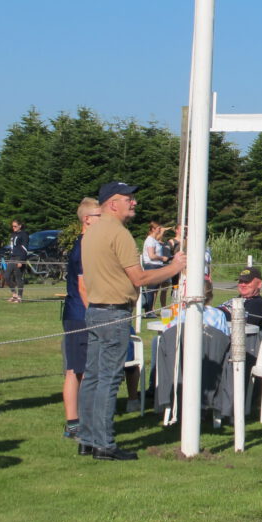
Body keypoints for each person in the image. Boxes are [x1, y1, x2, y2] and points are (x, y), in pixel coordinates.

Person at [78, 181, 186, 460]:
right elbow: (139, 278)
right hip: (113, 312)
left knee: (92, 376)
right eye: (129, 199)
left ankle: (87, 439)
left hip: (95, 310)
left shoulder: (91, 232)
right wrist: (175, 267)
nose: (134, 202)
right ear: (113, 204)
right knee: (108, 378)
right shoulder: (119, 234)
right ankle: (104, 444)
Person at [60, 198, 102, 440]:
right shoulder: (85, 245)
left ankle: (79, 422)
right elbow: (83, 285)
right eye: (98, 216)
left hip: (78, 314)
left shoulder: (89, 243)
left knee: (78, 369)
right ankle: (77, 423)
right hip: (80, 315)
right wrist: (94, 315)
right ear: (87, 219)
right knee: (80, 370)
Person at [219, 266, 262, 339]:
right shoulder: (236, 299)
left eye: (247, 282)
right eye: (240, 281)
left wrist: (215, 314)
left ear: (259, 284)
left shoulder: (257, 304)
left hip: (246, 344)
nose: (243, 285)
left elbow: (241, 322)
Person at [141, 221, 170, 316]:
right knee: (151, 290)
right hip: (152, 266)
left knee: (154, 290)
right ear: (153, 229)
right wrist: (162, 258)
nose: (160, 230)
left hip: (157, 266)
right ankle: (148, 311)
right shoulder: (150, 240)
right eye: (158, 228)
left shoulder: (154, 240)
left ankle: (150, 310)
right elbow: (151, 256)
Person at [6, 218, 29, 303]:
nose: (13, 228)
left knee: (18, 277)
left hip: (19, 257)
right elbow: (12, 246)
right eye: (12, 226)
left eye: (15, 226)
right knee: (6, 276)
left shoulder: (24, 234)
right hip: (12, 257)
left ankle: (19, 297)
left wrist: (21, 260)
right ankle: (14, 294)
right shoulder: (13, 234)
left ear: (20, 226)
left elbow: (25, 248)